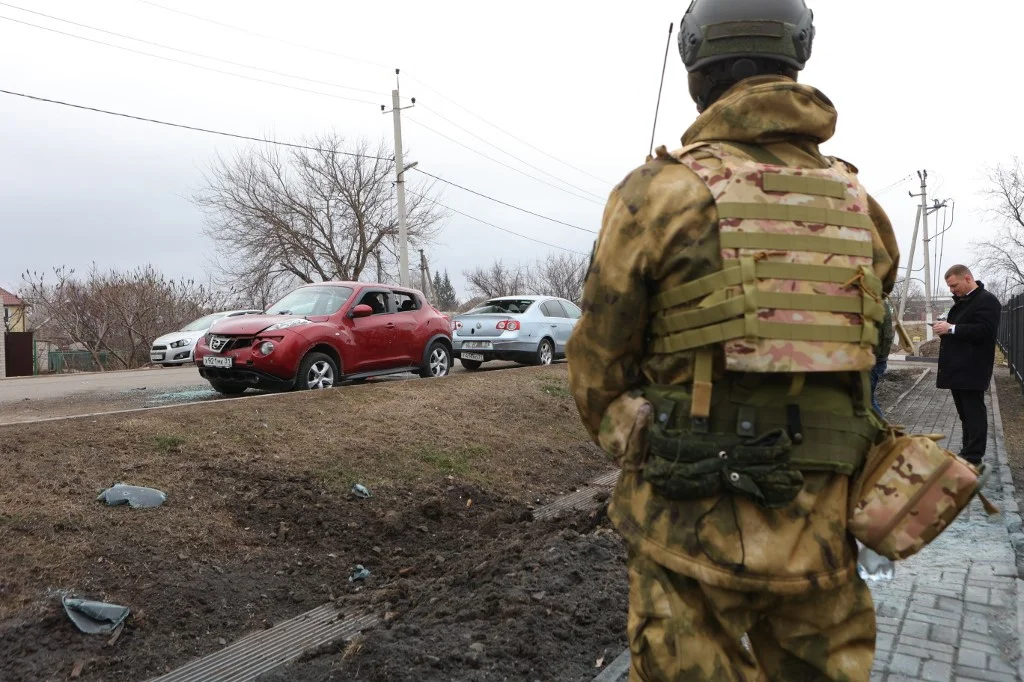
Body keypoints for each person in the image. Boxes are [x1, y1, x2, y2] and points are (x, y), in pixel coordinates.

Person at [565, 1, 900, 680]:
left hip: (687, 529)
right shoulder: (861, 207)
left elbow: (599, 365)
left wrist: (643, 433)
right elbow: (868, 345)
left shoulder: (655, 194)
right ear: (796, 54)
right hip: (825, 529)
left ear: (697, 63)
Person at [932, 264, 1001, 465]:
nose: (952, 290)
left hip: (973, 368)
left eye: (954, 285)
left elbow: (985, 330)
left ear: (968, 278)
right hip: (960, 368)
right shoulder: (966, 301)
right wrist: (945, 328)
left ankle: (974, 456)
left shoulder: (986, 300)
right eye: (950, 287)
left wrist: (951, 329)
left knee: (974, 414)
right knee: (965, 415)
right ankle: (967, 450)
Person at [870, 298, 894, 417]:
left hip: (872, 362)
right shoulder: (880, 303)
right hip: (876, 360)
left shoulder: (874, 303)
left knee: (866, 402)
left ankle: (884, 432)